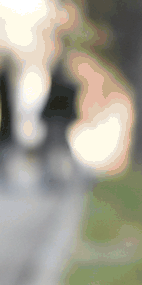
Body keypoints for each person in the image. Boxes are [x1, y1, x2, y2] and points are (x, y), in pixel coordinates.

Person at [35, 58, 84, 188]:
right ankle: (54, 176)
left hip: (57, 123)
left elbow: (55, 104)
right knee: (55, 150)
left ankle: (67, 177)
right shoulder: (65, 86)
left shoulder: (63, 86)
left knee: (57, 150)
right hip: (57, 122)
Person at [0, 65, 24, 185]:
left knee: (5, 151)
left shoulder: (7, 88)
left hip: (6, 127)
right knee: (4, 151)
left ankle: (4, 174)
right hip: (5, 126)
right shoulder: (5, 88)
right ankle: (3, 174)